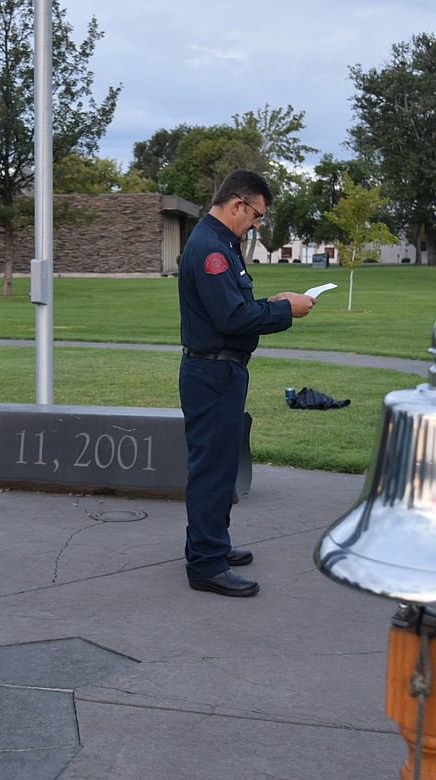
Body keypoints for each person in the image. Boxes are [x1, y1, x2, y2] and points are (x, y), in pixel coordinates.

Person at [178, 170, 315, 597]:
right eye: (256, 215)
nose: (257, 224)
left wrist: (269, 304)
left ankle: (211, 545)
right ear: (237, 204)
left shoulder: (219, 243)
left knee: (220, 466)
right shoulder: (211, 249)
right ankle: (205, 563)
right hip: (213, 373)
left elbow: (233, 306)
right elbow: (231, 319)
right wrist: (286, 311)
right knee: (214, 470)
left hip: (221, 370)